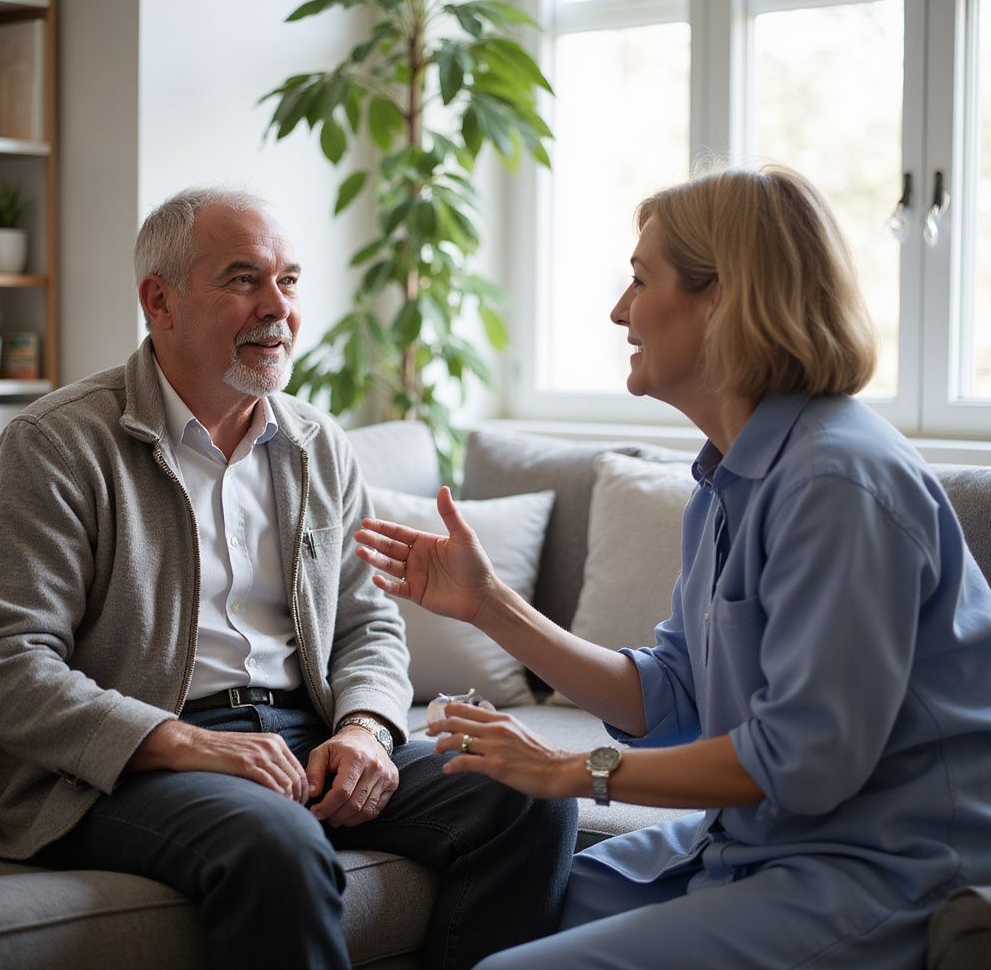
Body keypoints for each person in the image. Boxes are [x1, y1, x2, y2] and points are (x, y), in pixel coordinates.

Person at [355, 165, 991, 970]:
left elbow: (805, 760)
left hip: (883, 872)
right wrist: (491, 606)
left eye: (639, 280)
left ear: (723, 297)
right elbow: (674, 695)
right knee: (495, 908)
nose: (619, 311)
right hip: (747, 852)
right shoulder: (725, 480)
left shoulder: (836, 484)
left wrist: (571, 770)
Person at [0, 187, 577, 970]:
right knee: (274, 840)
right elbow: (3, 667)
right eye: (243, 279)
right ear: (161, 301)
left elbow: (368, 623)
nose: (278, 309)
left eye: (288, 282)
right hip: (127, 766)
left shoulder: (319, 445)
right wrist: (182, 743)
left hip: (305, 735)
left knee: (526, 788)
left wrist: (365, 729)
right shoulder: (58, 445)